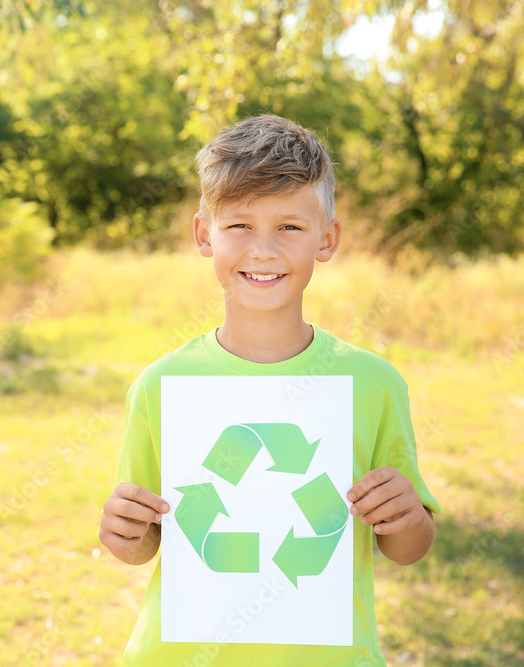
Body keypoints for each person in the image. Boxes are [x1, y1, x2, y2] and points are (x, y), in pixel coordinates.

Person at [98, 114, 442, 665]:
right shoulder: (162, 386)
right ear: (203, 235)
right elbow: (146, 541)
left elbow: (407, 548)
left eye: (289, 227)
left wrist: (408, 516)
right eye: (238, 226)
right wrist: (124, 533)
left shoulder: (373, 385)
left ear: (326, 240)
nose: (263, 250)